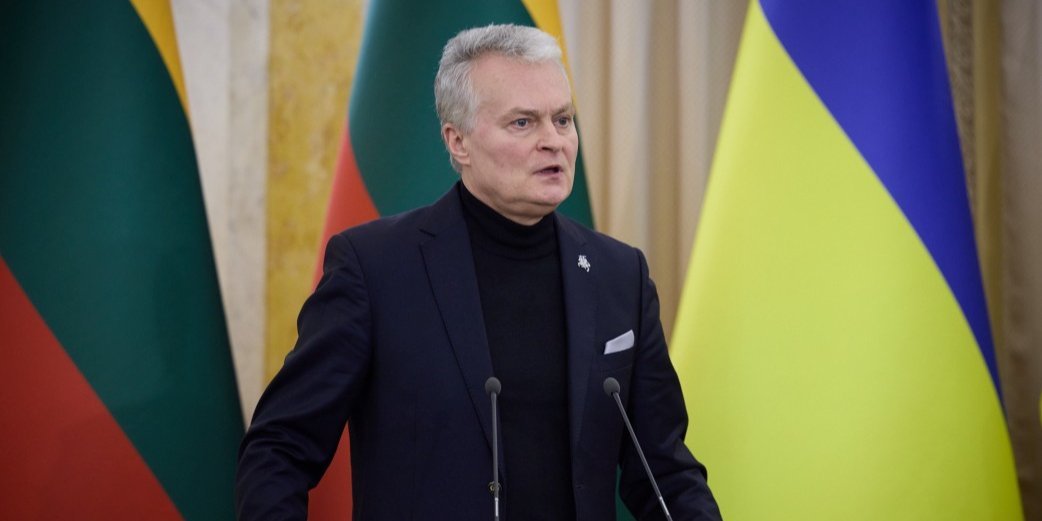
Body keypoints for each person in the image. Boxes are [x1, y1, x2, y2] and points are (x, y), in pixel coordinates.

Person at [236, 23, 721, 520]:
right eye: (523, 123)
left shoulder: (620, 275)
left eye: (563, 119)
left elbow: (664, 470)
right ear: (458, 142)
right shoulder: (375, 269)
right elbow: (279, 448)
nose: (554, 141)